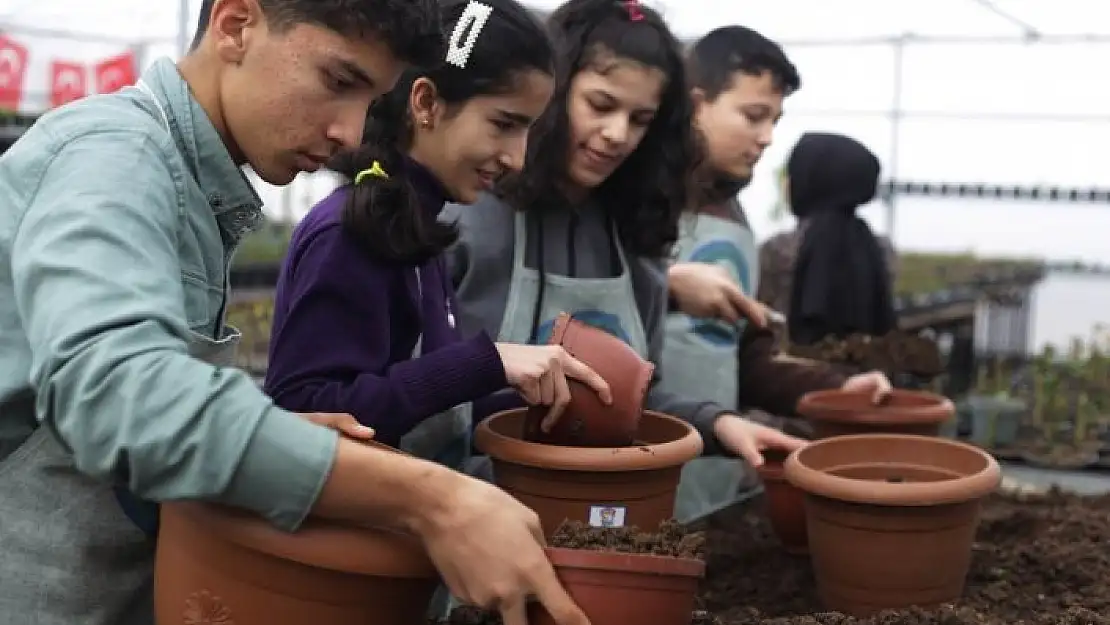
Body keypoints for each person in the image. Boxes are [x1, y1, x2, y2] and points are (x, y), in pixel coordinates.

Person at [0, 1, 589, 624]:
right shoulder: (112, 158)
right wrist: (431, 500)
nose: (353, 134)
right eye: (339, 81)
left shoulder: (193, 189)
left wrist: (285, 435)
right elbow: (119, 395)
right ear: (236, 24)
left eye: (370, 99)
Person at [443, 0, 807, 492]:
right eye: (600, 105)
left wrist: (719, 423)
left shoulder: (635, 236)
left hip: (597, 505)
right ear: (549, 93)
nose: (617, 134)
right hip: (468, 506)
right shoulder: (471, 215)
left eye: (640, 119)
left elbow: (635, 396)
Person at [263, 0, 612, 480]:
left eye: (528, 131)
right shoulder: (350, 233)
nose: (517, 158)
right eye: (504, 124)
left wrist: (532, 385)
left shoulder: (413, 228)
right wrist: (482, 364)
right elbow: (304, 412)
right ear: (425, 103)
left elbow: (422, 397)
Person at [658, 26, 894, 519]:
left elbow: (748, 358)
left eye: (774, 121)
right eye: (752, 117)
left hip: (711, 475)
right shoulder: (638, 200)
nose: (766, 139)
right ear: (696, 104)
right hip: (633, 465)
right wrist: (668, 286)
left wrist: (832, 386)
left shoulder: (735, 219)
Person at [758, 131, 898, 346]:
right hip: (865, 373)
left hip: (784, 373)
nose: (786, 182)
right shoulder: (882, 250)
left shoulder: (777, 250)